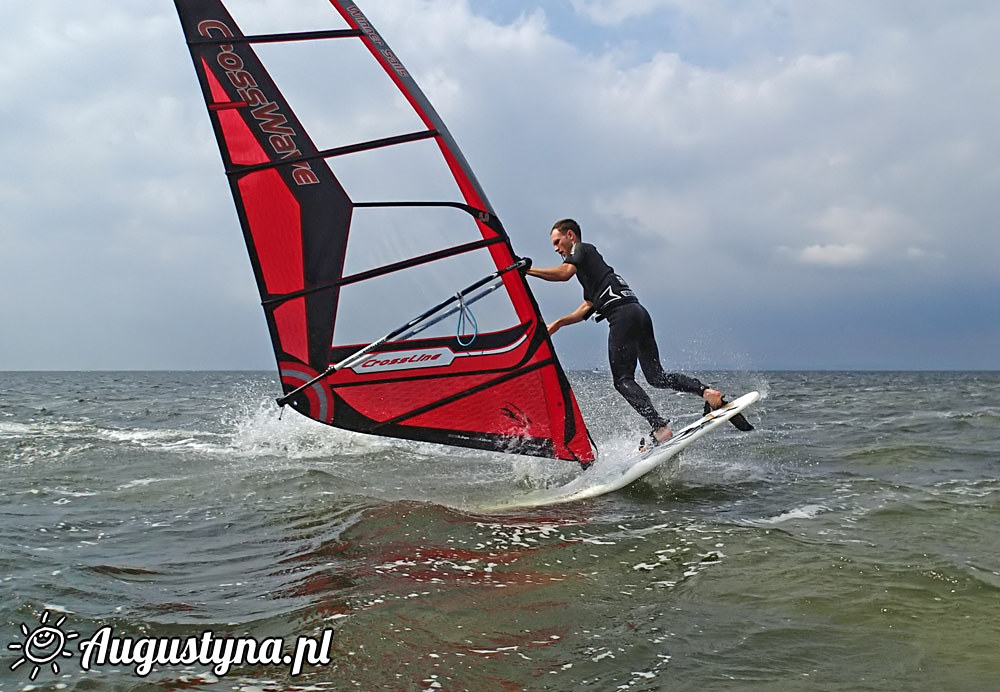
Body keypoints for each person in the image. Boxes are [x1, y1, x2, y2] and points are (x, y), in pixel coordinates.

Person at [523, 218, 725, 447]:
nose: (556, 248)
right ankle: (706, 392)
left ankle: (659, 427)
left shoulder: (581, 249)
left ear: (571, 235)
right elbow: (587, 306)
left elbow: (563, 273)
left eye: (558, 242)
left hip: (622, 317)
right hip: (639, 313)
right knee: (656, 376)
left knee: (622, 380)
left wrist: (528, 271)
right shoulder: (592, 270)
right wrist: (559, 323)